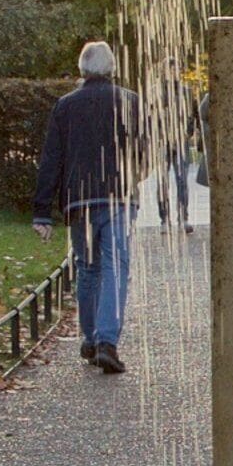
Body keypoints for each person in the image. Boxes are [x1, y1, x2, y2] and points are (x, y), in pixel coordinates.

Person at [32, 40, 142, 373]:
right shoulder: (129, 102)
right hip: (118, 197)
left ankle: (91, 337)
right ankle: (107, 341)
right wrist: (134, 175)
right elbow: (146, 149)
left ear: (82, 69)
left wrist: (42, 210)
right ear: (111, 69)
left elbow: (52, 157)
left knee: (88, 267)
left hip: (79, 199)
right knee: (114, 266)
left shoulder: (66, 106)